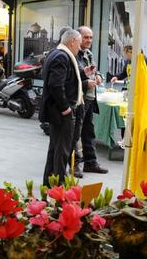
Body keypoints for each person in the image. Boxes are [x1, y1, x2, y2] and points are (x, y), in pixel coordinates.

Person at [39, 27, 84, 186]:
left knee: (55, 151)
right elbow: (56, 85)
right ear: (72, 41)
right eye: (79, 43)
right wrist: (66, 108)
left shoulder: (58, 53)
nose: (80, 47)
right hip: (61, 114)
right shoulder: (62, 56)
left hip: (58, 113)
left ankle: (48, 186)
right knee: (61, 153)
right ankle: (57, 189)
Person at [72, 26, 108, 177]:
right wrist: (87, 83)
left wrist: (99, 76)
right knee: (76, 133)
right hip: (80, 99)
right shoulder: (74, 54)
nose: (88, 40)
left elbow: (94, 70)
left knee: (89, 132)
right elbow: (73, 76)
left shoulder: (88, 53)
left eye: (90, 37)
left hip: (90, 98)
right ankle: (75, 165)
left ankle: (90, 163)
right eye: (85, 37)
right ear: (78, 38)